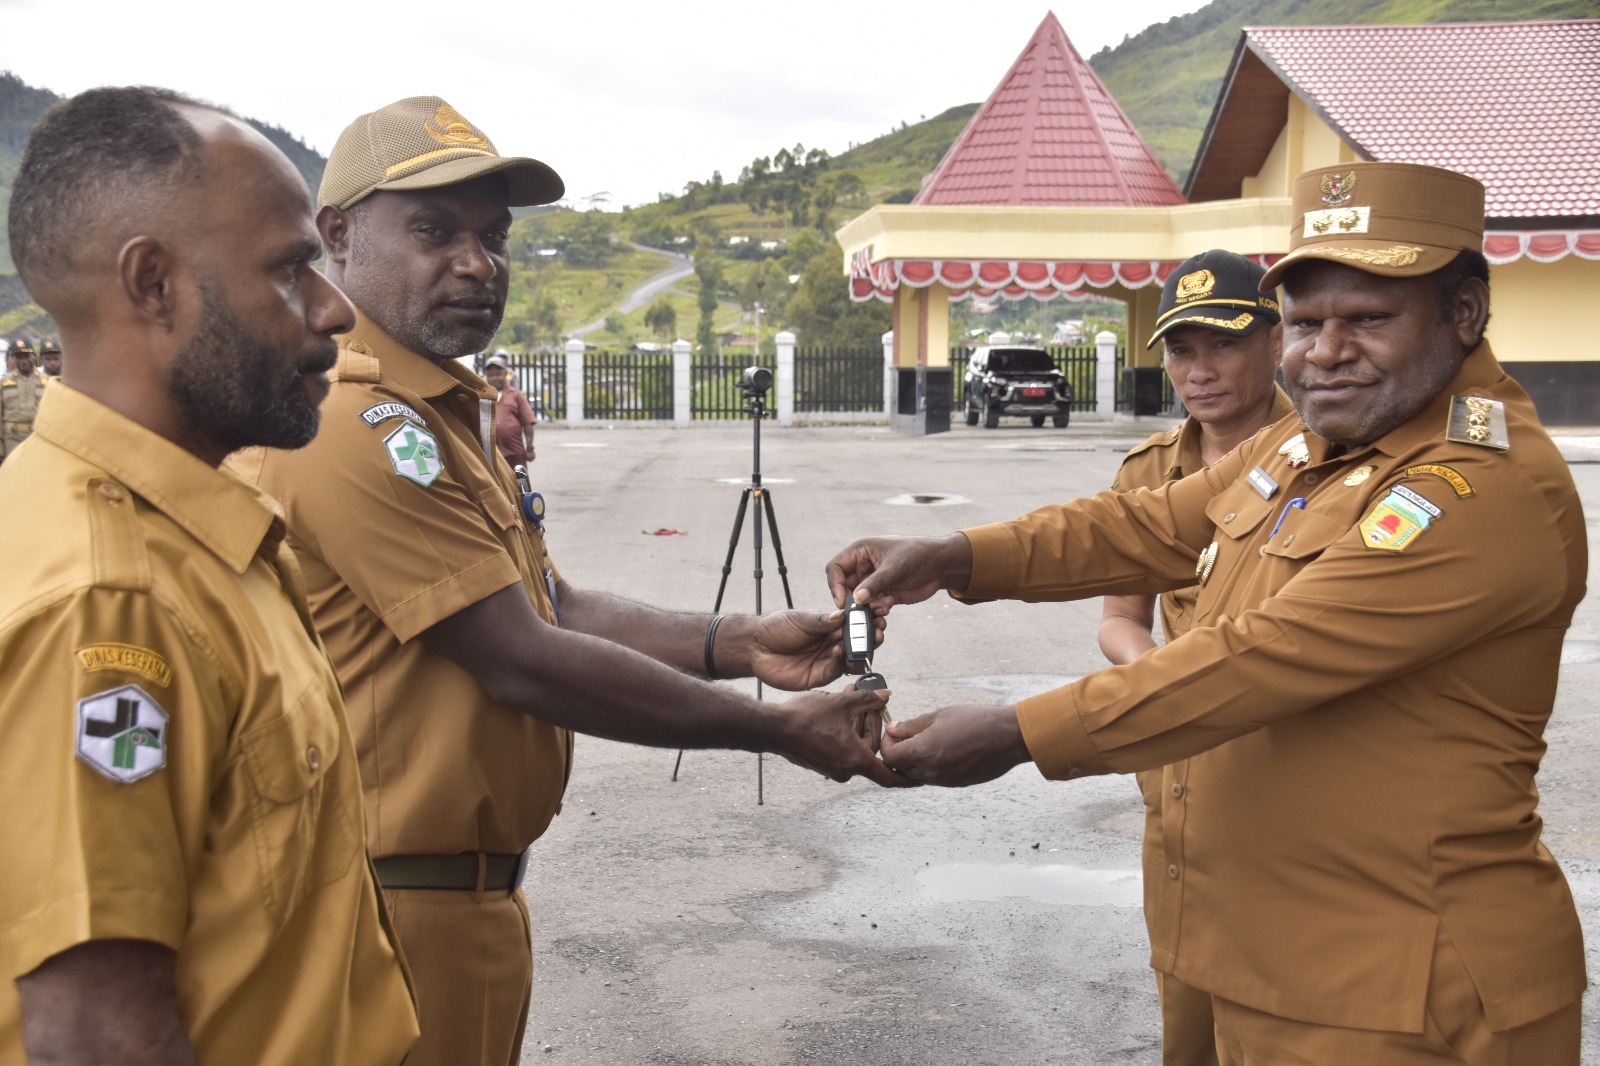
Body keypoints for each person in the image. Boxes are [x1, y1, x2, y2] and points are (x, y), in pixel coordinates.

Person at [830, 162, 1585, 1063]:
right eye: (1306, 324)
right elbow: (1152, 523)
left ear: (1464, 314)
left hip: (1406, 990)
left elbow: (1261, 657)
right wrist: (957, 556)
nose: (1327, 352)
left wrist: (1017, 734)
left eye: (1370, 320)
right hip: (1262, 959)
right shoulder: (1315, 439)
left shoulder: (1475, 486)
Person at [234, 95, 903, 1066]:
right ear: (337, 234)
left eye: (492, 236)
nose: (475, 262)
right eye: (433, 231)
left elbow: (552, 606)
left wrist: (744, 643)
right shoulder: (354, 421)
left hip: (463, 902)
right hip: (385, 908)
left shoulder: (442, 412)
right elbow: (518, 657)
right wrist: (771, 728)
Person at [0, 87, 418, 1064]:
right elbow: (99, 1034)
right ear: (152, 284)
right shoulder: (110, 604)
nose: (334, 307)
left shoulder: (190, 532)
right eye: (289, 271)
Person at [1097, 249, 1293, 1066]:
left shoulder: (1330, 454)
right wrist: (1162, 681)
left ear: (1276, 342)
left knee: (1292, 987)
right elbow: (1116, 619)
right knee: (1189, 994)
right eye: (1183, 349)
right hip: (1182, 759)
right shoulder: (1146, 471)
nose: (1200, 370)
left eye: (1225, 344)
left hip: (1290, 756)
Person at [484, 350, 536, 466]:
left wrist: (530, 448)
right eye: (491, 375)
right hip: (490, 456)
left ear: (505, 374)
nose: (495, 378)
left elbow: (528, 422)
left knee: (518, 483)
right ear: (486, 376)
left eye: (498, 374)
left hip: (515, 455)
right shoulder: (481, 396)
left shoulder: (516, 395)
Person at [0, 337, 46, 463]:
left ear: (34, 357)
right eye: (19, 357)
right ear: (13, 359)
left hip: (39, 438)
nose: (24, 361)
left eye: (27, 356)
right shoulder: (4, 383)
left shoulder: (47, 382)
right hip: (12, 439)